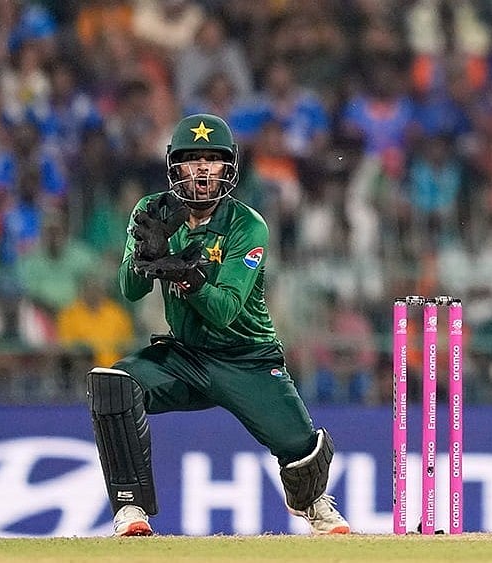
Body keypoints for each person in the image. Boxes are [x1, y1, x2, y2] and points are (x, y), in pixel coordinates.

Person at [87, 113, 350, 537]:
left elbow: (225, 308)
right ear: (175, 165)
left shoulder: (248, 226)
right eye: (193, 160)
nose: (203, 169)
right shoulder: (151, 211)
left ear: (230, 167)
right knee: (113, 384)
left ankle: (311, 502)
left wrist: (184, 275)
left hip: (247, 358)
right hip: (185, 356)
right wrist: (144, 258)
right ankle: (131, 510)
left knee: (303, 452)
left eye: (213, 159)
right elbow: (130, 290)